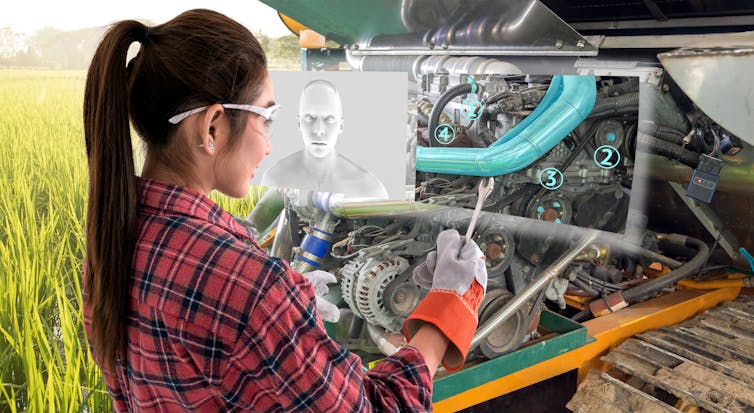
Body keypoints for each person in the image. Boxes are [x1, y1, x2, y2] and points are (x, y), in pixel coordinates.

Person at [82, 9, 486, 412]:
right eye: (266, 120)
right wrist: (445, 308)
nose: (270, 146)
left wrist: (286, 315)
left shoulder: (112, 243)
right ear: (212, 129)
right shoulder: (248, 290)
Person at [261, 79, 389, 198]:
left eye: (329, 119)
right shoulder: (274, 179)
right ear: (299, 123)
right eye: (309, 118)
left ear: (341, 125)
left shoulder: (369, 189)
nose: (319, 130)